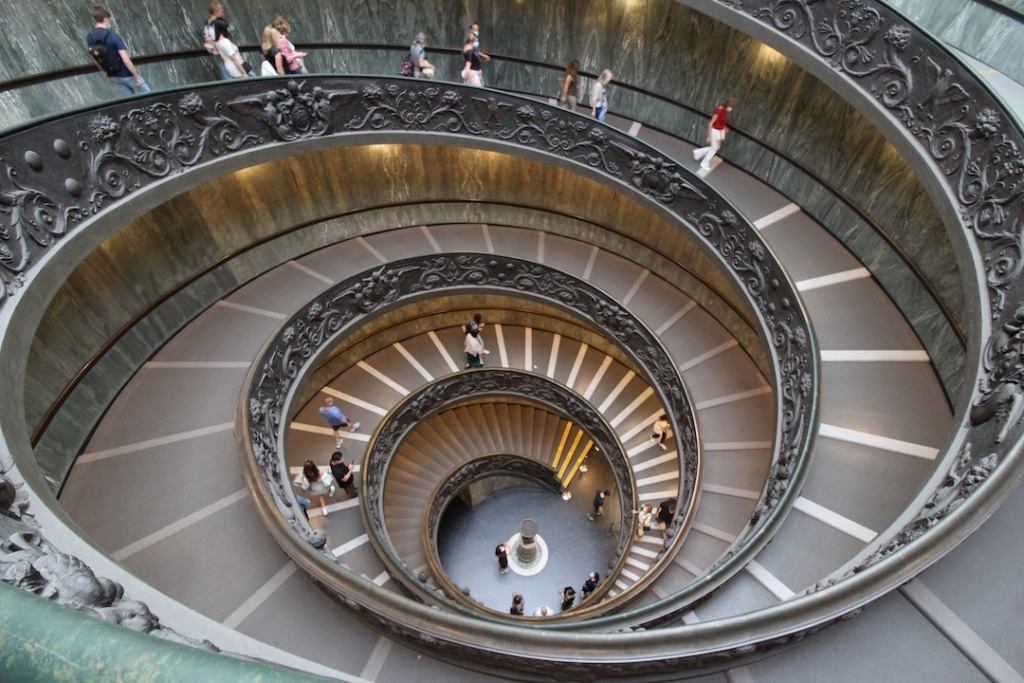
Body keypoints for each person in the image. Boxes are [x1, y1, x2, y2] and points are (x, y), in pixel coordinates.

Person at [86, 5, 150, 96]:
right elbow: (126, 60)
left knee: (129, 101)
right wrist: (136, 76)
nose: (110, 21)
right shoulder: (112, 36)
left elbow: (96, 59)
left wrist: (107, 74)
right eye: (109, 19)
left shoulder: (90, 37)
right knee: (149, 95)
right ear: (105, 19)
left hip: (113, 76)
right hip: (126, 74)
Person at [693, 97, 738, 172]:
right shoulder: (719, 111)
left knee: (716, 147)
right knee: (714, 148)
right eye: (731, 107)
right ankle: (705, 162)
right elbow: (711, 123)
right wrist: (709, 135)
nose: (731, 109)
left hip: (720, 131)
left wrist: (725, 128)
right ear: (727, 105)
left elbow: (721, 121)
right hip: (715, 131)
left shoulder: (725, 111)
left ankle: (698, 152)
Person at [202, 2, 230, 79]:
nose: (223, 13)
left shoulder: (208, 21)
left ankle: (227, 80)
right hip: (218, 45)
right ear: (215, 12)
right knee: (227, 64)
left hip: (212, 46)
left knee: (224, 63)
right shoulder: (217, 22)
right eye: (221, 11)